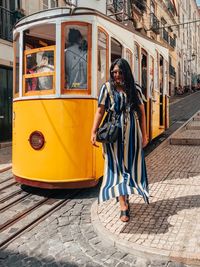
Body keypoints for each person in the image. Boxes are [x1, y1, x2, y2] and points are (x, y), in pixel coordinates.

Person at [91, 58, 149, 222]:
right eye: (114, 72)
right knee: (116, 167)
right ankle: (123, 204)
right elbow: (100, 112)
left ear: (126, 72)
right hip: (114, 134)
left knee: (131, 166)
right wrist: (93, 131)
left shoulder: (135, 89)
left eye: (120, 72)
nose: (116, 75)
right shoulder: (107, 88)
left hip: (132, 134)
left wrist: (144, 135)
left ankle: (124, 193)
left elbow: (142, 113)